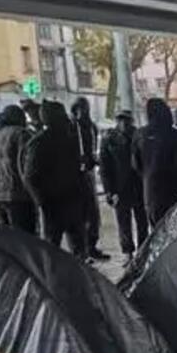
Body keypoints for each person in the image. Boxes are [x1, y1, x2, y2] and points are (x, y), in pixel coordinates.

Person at [26, 101, 89, 254]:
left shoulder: (68, 138)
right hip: (54, 203)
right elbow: (31, 176)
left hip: (70, 199)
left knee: (75, 244)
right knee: (53, 246)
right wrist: (42, 202)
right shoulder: (40, 142)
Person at [0, 105, 37, 234]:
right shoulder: (20, 134)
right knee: (25, 237)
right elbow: (28, 164)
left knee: (8, 236)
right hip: (16, 193)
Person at [99, 111, 148, 260]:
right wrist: (109, 191)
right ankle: (128, 253)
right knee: (123, 222)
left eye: (126, 120)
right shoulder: (109, 139)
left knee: (142, 221)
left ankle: (143, 250)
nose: (124, 123)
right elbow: (104, 167)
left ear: (131, 121)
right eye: (120, 120)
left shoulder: (139, 135)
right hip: (119, 187)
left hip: (139, 185)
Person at [138, 98, 177, 224]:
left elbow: (136, 164)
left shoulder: (140, 135)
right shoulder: (175, 136)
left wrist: (148, 174)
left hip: (151, 192)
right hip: (175, 191)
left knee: (156, 230)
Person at [69, 97, 107, 261]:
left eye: (85, 108)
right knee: (80, 215)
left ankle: (91, 246)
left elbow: (92, 147)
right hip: (75, 174)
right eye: (80, 108)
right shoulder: (71, 126)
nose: (83, 111)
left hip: (88, 173)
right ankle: (80, 251)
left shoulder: (90, 126)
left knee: (93, 214)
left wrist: (93, 159)